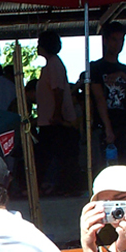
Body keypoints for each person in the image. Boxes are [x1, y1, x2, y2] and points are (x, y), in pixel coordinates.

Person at [90, 21, 126, 171]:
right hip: (104, 125)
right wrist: (107, 127)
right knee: (105, 167)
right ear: (106, 41)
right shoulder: (96, 67)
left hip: (124, 123)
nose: (118, 44)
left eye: (121, 40)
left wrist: (122, 75)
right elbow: (99, 98)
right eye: (114, 40)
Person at [35, 30, 79, 196]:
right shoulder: (51, 65)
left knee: (54, 155)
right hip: (49, 120)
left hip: (54, 121)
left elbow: (57, 91)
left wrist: (57, 115)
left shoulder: (54, 64)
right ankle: (60, 186)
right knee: (54, 155)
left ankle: (65, 187)